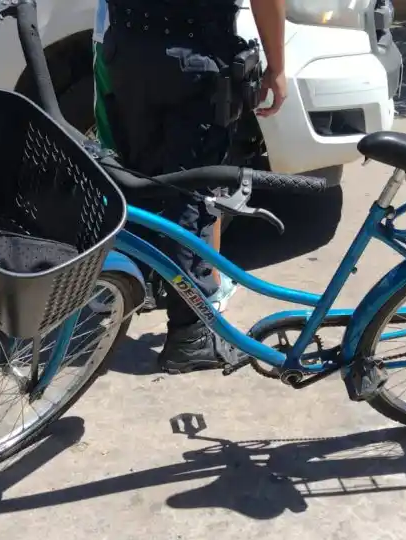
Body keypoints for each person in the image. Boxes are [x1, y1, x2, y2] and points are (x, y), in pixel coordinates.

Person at [92, 0, 287, 374]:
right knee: (191, 198)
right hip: (194, 58)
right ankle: (190, 335)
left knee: (141, 180)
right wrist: (277, 68)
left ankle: (135, 285)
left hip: (128, 50)